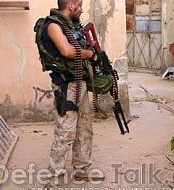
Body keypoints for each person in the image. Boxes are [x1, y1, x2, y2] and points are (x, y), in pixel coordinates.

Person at [34, 0, 104, 188]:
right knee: (65, 132)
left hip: (79, 83)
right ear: (71, 5)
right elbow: (67, 51)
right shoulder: (53, 26)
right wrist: (90, 55)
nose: (81, 9)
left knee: (84, 129)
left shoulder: (70, 26)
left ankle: (81, 171)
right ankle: (55, 178)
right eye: (79, 5)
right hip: (66, 86)